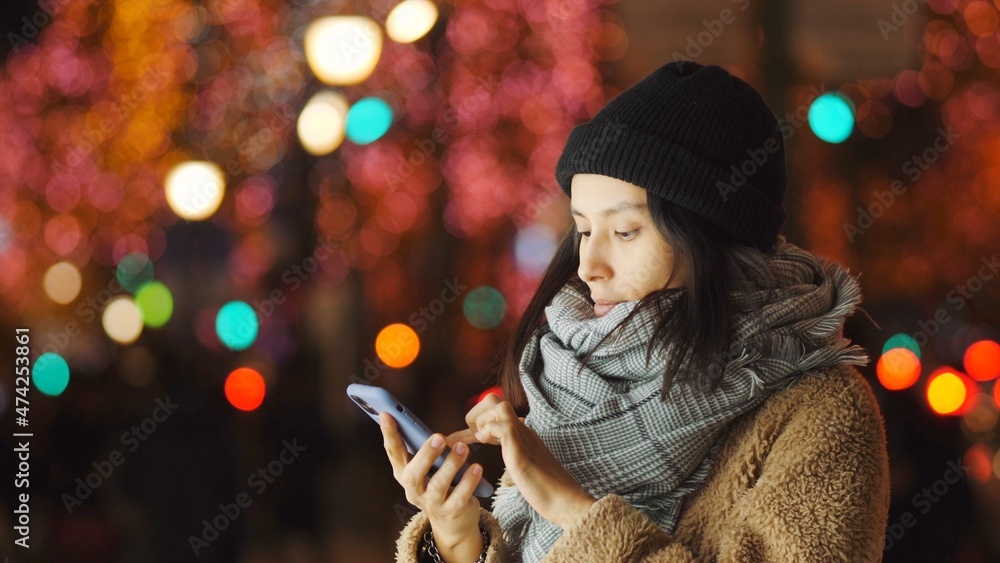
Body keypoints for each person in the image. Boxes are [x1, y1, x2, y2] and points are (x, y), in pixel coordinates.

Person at [381, 60, 891, 562]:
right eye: (582, 231)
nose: (588, 266)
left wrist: (573, 509)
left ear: (713, 236)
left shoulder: (822, 413)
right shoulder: (573, 383)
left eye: (625, 231)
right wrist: (456, 536)